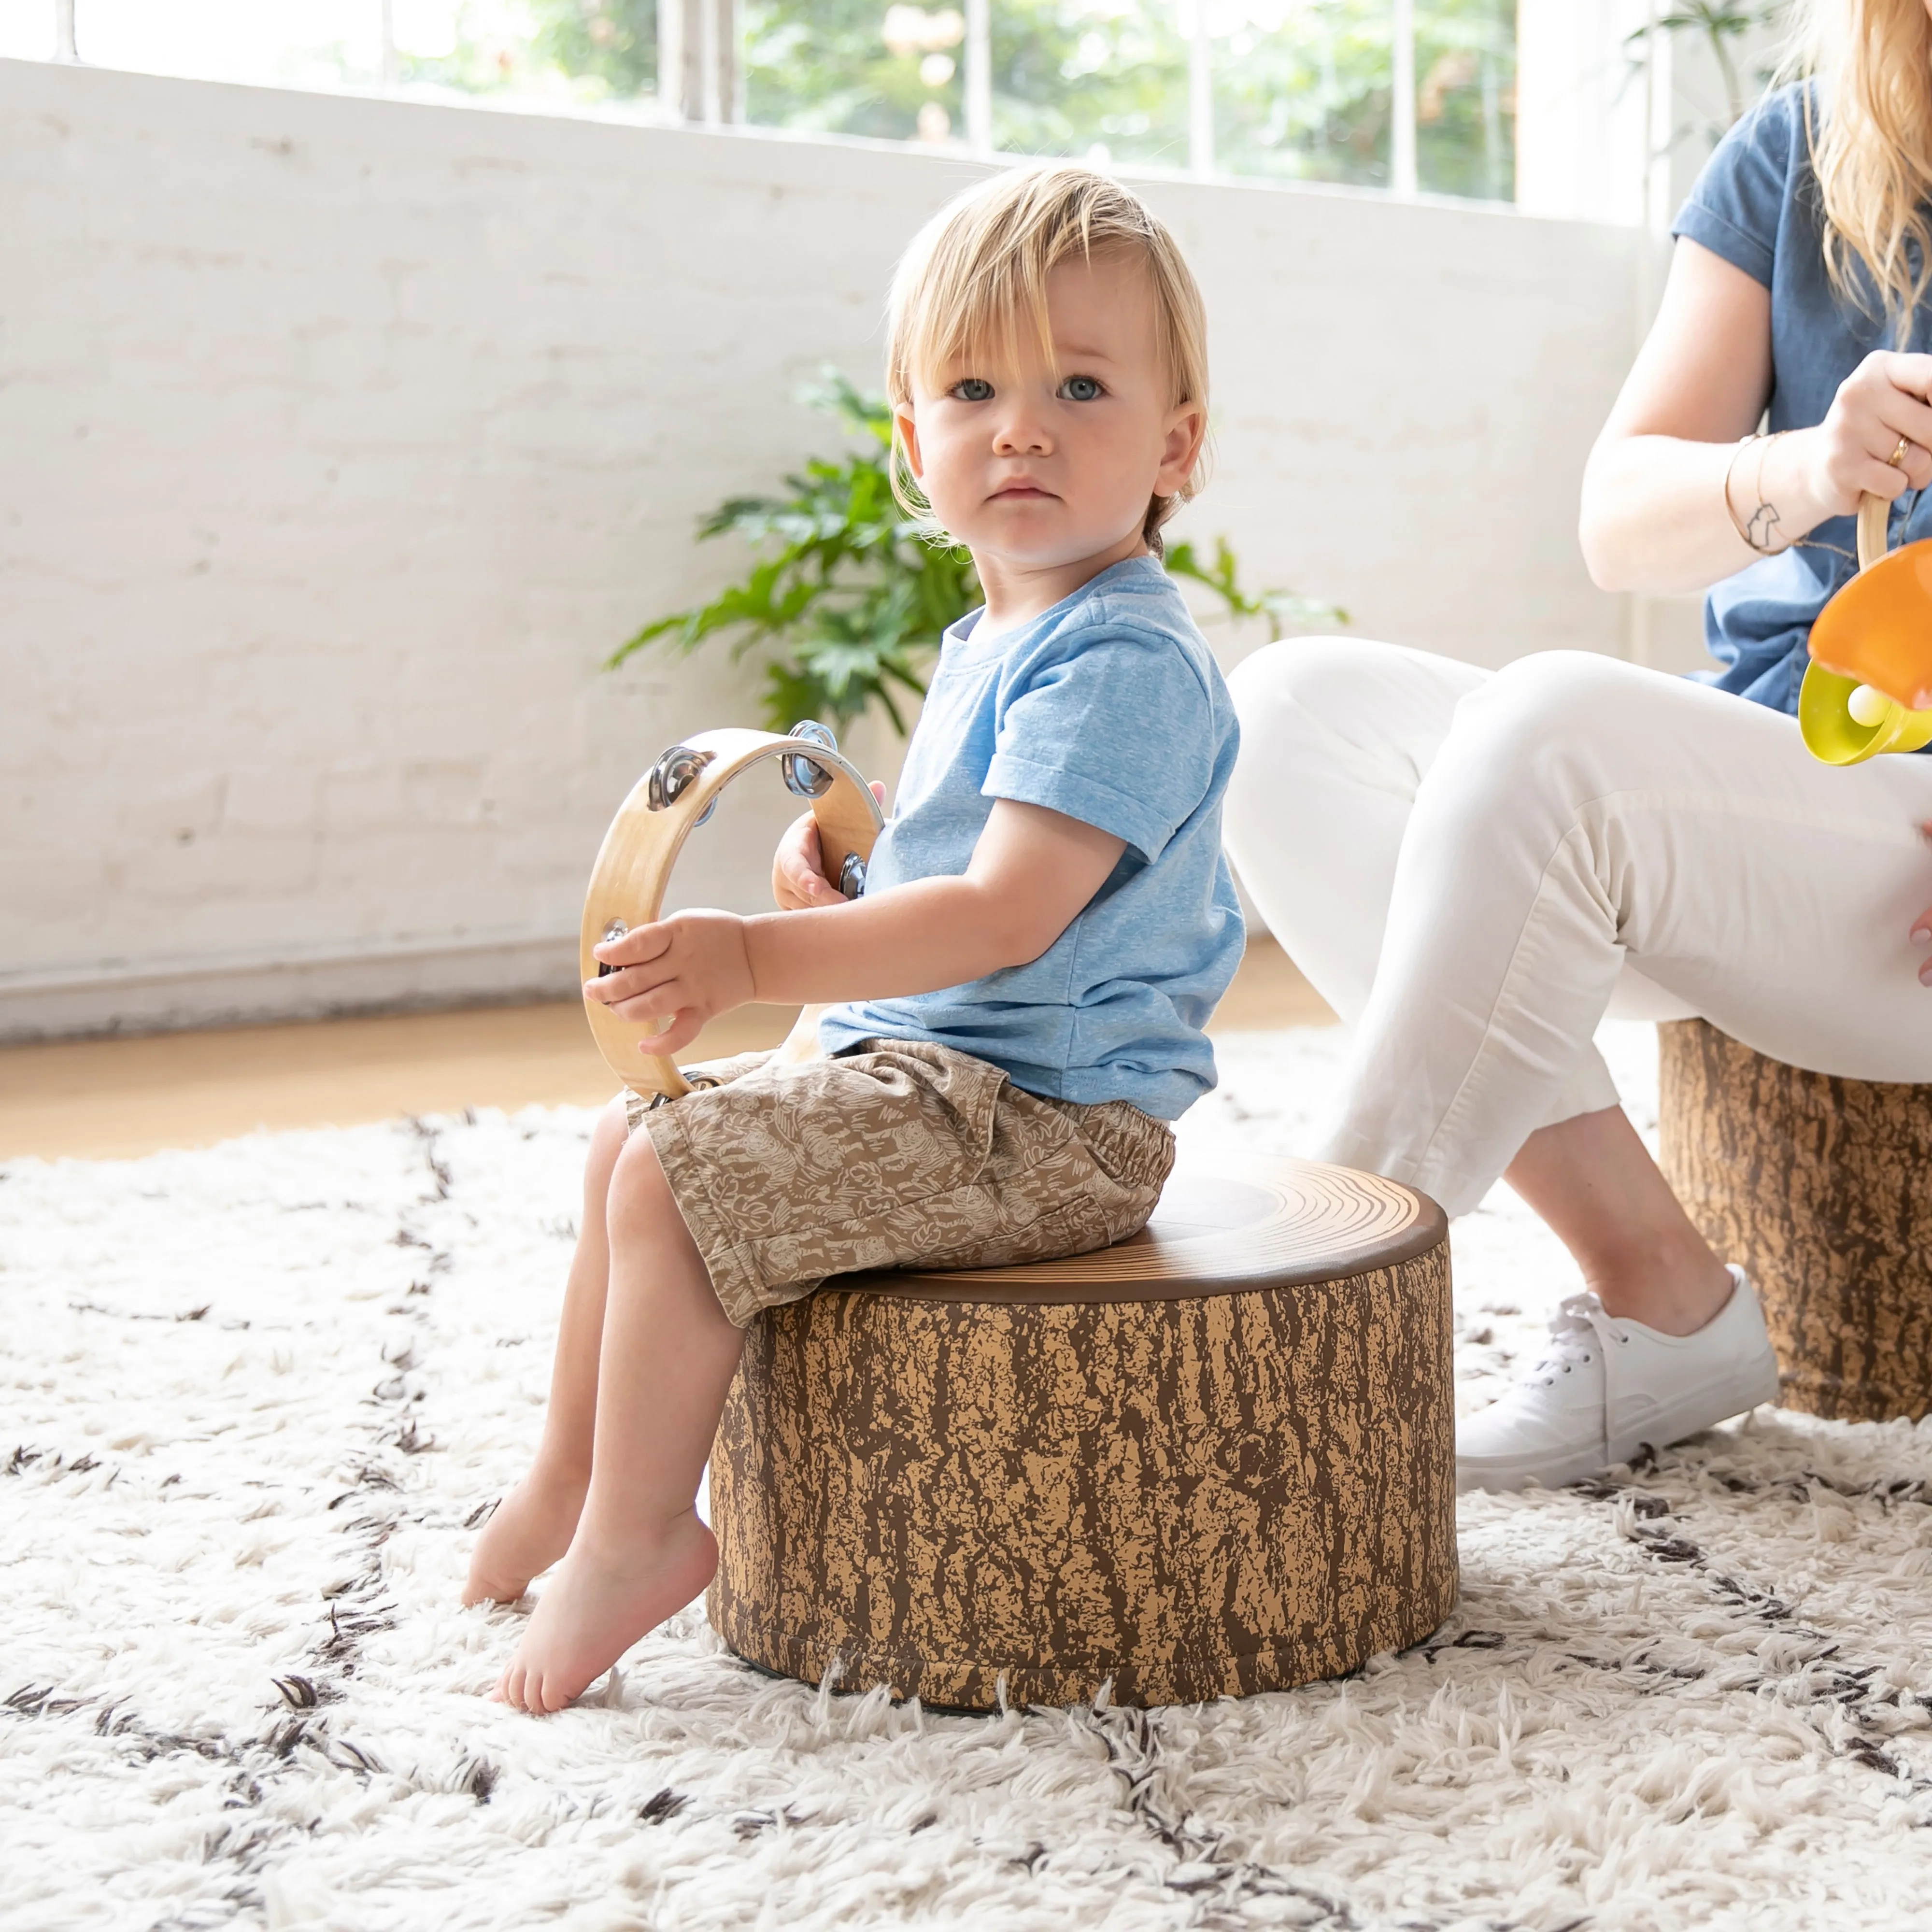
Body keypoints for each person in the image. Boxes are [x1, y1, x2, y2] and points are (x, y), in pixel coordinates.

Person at [466, 164, 1244, 1712]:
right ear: (913, 442)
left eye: (1080, 385)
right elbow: (965, 864)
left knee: (682, 1182)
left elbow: (1012, 915)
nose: (1020, 425)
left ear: (1175, 444)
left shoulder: (1126, 660)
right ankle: (569, 1475)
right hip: (946, 1076)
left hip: (1050, 1125)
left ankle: (635, 1539)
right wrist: (859, 861)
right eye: (974, 388)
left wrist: (758, 958)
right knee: (632, 1143)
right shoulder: (998, 637)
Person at [1223, 0, 1932, 1495]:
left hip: (1904, 873)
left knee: (1557, 729)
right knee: (1289, 718)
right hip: (1772, 800)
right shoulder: (1808, 151)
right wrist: (1804, 464)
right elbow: (1622, 520)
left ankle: (1274, 1357)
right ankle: (1664, 1300)